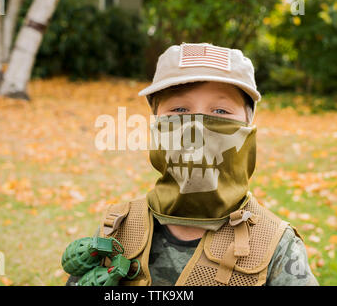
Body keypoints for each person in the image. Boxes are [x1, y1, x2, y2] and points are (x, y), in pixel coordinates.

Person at [66, 43, 318, 286]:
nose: (197, 125)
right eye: (179, 109)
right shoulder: (117, 231)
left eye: (220, 111)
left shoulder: (276, 246)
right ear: (155, 125)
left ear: (248, 128)